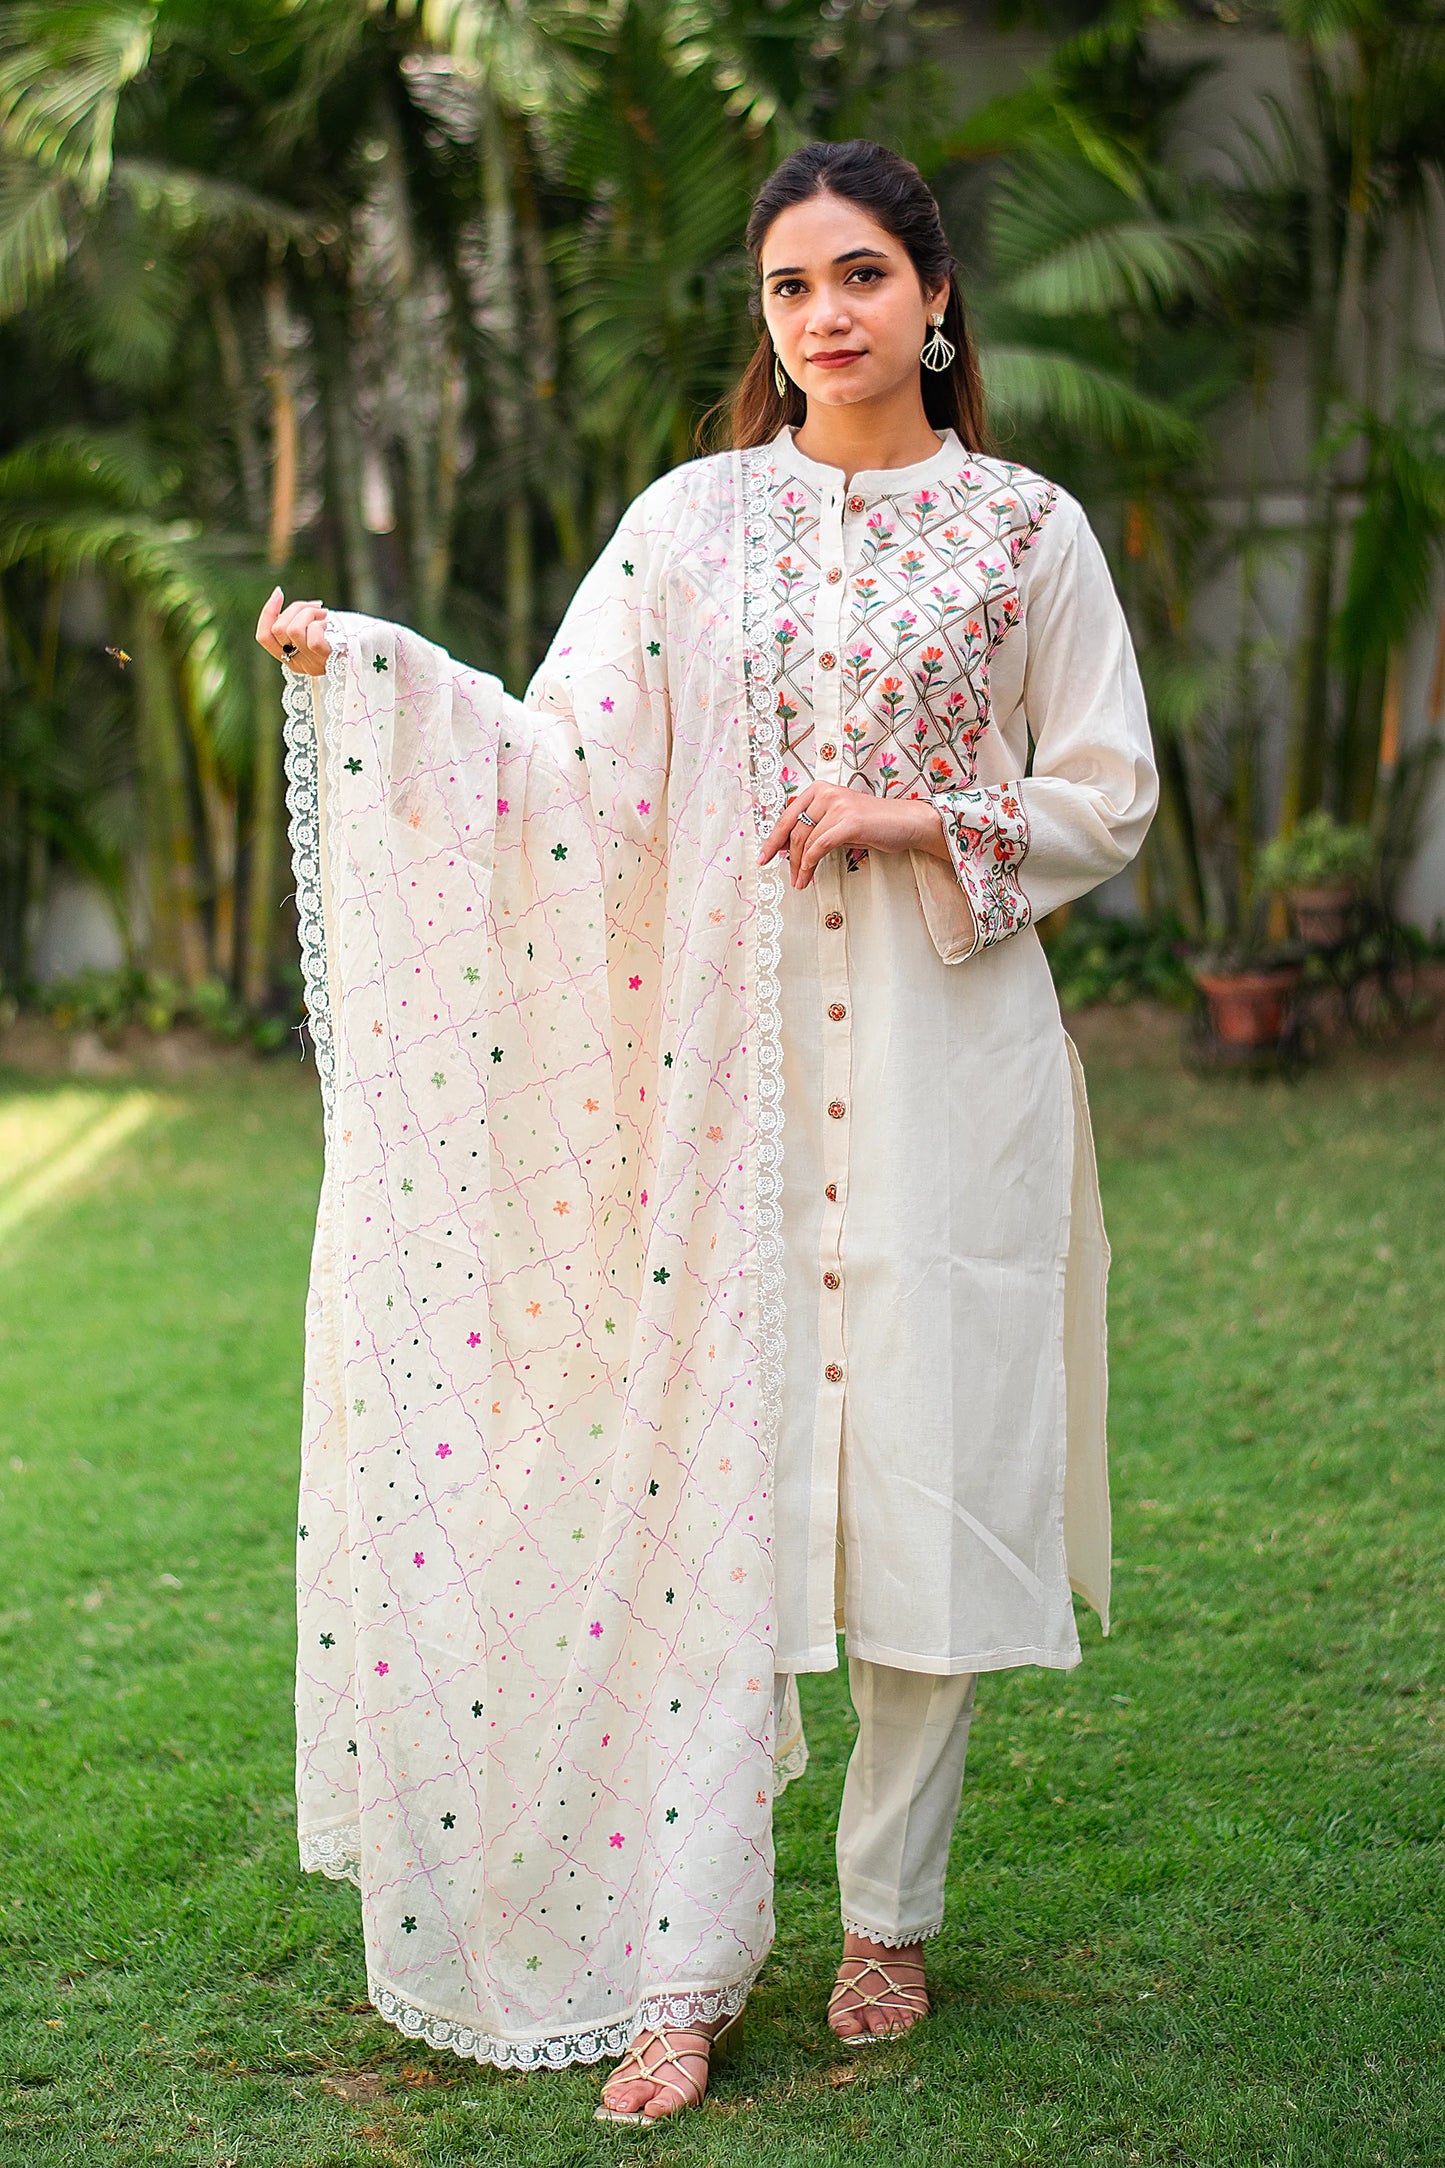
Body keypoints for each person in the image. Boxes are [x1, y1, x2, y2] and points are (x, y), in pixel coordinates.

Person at [257, 137, 1157, 2127]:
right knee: (704, 1497)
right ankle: (680, 1955)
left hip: (949, 1063)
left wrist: (914, 810)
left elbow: (1112, 788)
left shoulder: (1025, 532)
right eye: (786, 287)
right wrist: (381, 683)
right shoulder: (694, 527)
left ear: (935, 298)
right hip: (719, 1090)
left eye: (857, 275)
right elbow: (563, 758)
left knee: (926, 1480)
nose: (822, 314)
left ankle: (889, 1916)